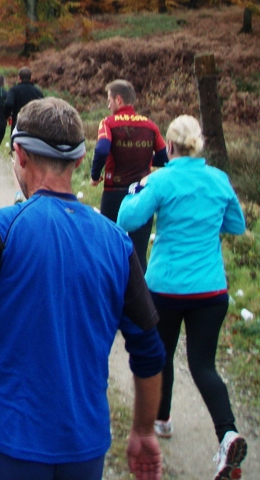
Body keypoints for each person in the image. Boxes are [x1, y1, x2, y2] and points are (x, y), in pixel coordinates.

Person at [0, 97, 166, 480]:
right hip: (82, 446)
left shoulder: (3, 229)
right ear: (77, 160)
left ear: (19, 154)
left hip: (8, 438)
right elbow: (150, 351)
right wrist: (141, 431)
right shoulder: (117, 243)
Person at [117, 114, 247, 480]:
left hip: (167, 287)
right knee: (204, 365)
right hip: (212, 289)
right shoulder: (218, 179)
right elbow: (236, 224)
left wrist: (137, 189)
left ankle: (162, 418)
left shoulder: (161, 179)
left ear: (169, 146)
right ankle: (228, 433)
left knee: (162, 354)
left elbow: (128, 220)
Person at [90, 79, 168, 273]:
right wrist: (147, 162)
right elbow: (165, 156)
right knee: (139, 253)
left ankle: (109, 296)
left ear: (118, 100)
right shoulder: (150, 126)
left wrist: (94, 175)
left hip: (114, 192)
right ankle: (141, 300)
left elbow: (101, 149)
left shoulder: (108, 123)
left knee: (108, 248)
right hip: (142, 193)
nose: (108, 105)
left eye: (109, 100)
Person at [4, 66, 43, 131]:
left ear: (19, 78)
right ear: (31, 78)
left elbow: (8, 103)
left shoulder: (14, 90)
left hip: (18, 122)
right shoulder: (38, 91)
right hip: (32, 124)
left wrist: (7, 115)